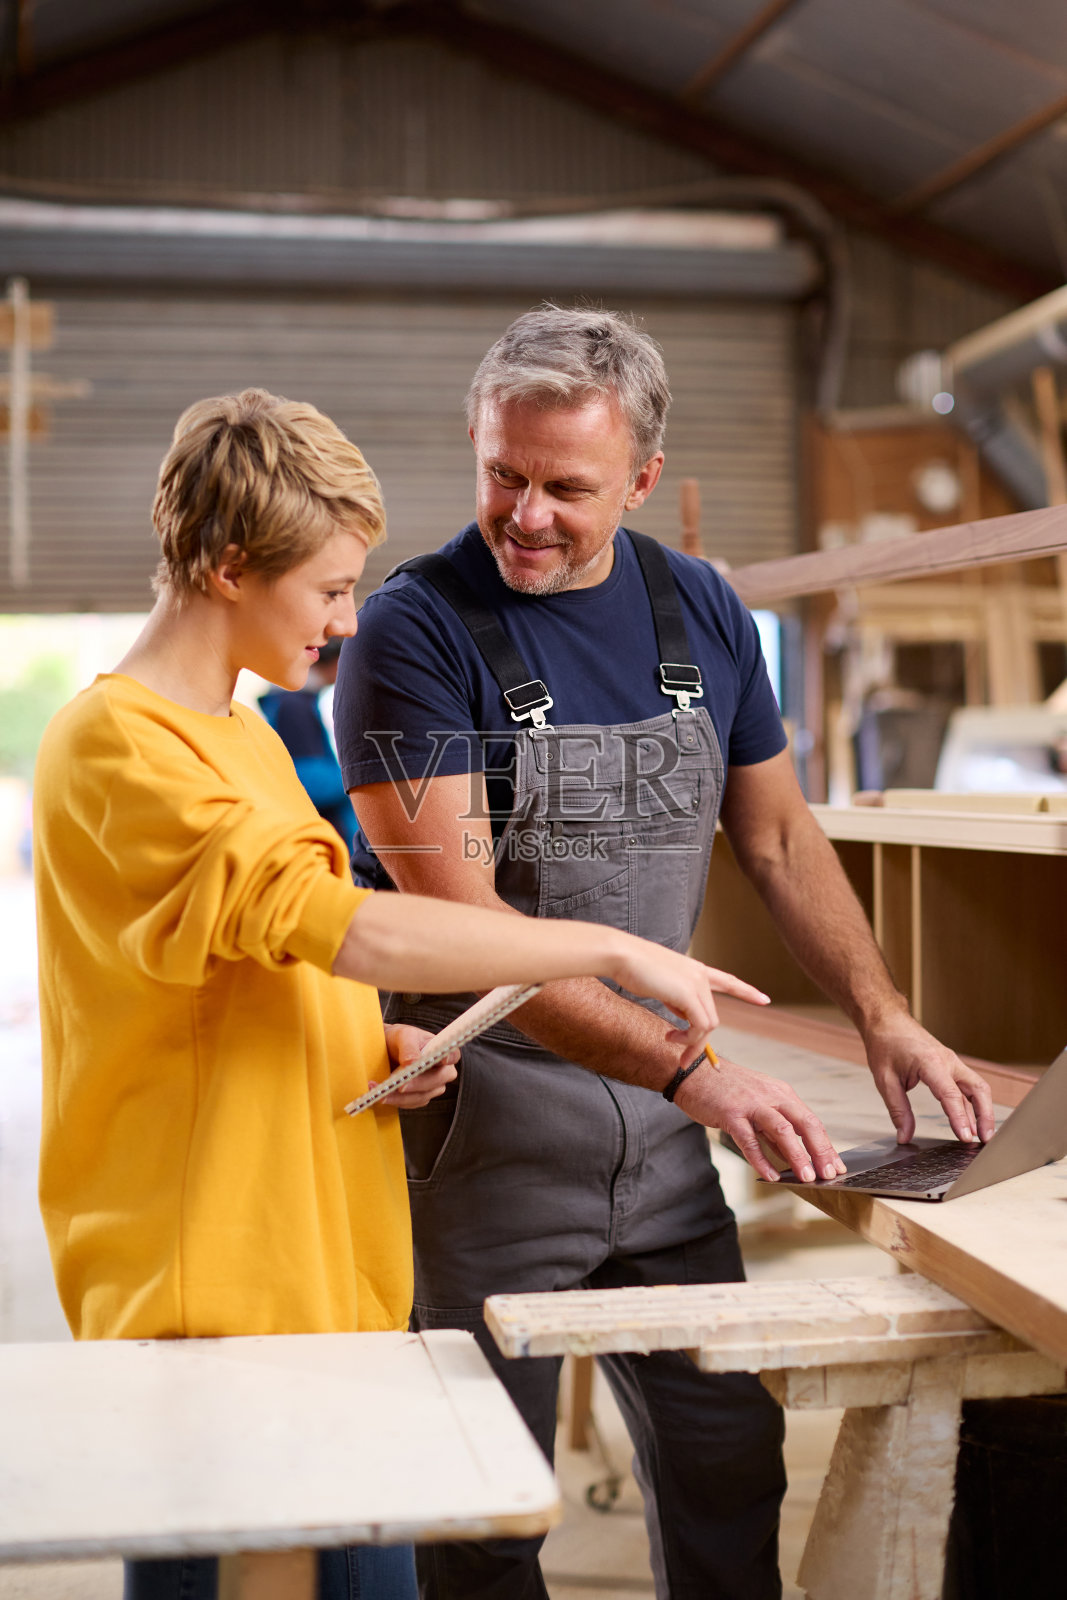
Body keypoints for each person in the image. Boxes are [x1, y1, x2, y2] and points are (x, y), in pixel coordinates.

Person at [32, 387, 774, 1600]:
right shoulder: (121, 746)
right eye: (328, 587)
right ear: (228, 567)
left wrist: (362, 1042)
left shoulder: (241, 736)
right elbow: (336, 924)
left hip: (322, 1283)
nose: (350, 616)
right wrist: (605, 948)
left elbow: (254, 969)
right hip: (216, 1301)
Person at [335, 307, 997, 1600]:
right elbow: (474, 943)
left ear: (640, 481)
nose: (522, 515)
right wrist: (698, 1075)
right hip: (479, 1143)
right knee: (481, 1504)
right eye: (500, 475)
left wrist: (882, 1011)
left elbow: (779, 840)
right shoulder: (409, 636)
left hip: (655, 1146)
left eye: (564, 489)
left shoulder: (696, 603)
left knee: (724, 1453)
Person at [259, 636, 356, 848]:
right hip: (321, 828)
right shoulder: (293, 704)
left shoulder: (297, 700)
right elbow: (307, 778)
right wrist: (359, 777)